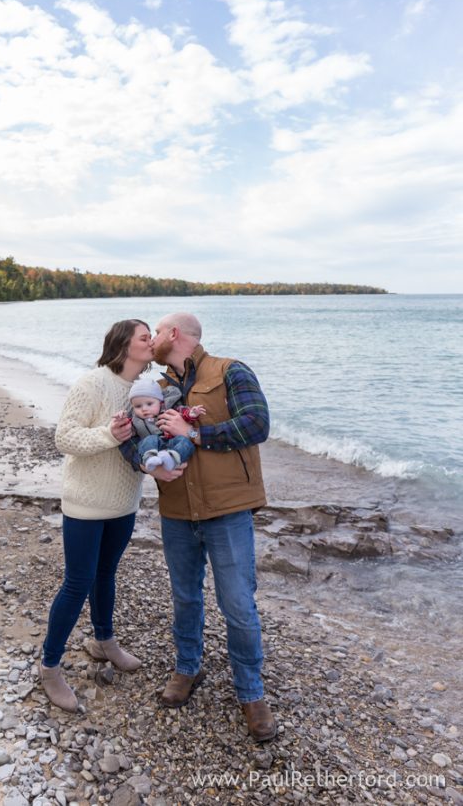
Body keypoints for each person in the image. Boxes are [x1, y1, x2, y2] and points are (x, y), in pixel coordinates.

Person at [120, 313, 276, 741]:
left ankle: (251, 691)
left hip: (229, 509)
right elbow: (133, 437)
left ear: (173, 334)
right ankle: (188, 669)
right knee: (185, 597)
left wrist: (197, 432)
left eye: (157, 332)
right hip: (177, 511)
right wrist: (143, 462)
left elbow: (257, 424)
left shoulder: (230, 370)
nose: (150, 340)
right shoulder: (159, 387)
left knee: (239, 606)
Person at [40, 319, 153, 712]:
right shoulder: (92, 383)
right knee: (77, 582)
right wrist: (109, 435)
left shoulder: (145, 391)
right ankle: (50, 667)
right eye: (145, 336)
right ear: (124, 345)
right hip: (86, 502)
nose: (152, 341)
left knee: (107, 575)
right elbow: (64, 438)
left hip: (124, 502)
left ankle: (105, 642)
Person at [126, 377, 206, 471]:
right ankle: (150, 459)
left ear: (160, 402)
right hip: (154, 448)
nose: (144, 409)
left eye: (149, 404)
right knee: (149, 440)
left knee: (185, 442)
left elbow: (183, 414)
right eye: (138, 406)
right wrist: (122, 422)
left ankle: (172, 459)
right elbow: (130, 431)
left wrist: (192, 413)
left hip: (173, 442)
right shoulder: (136, 420)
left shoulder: (170, 410)